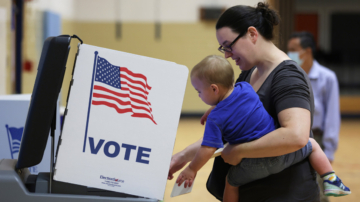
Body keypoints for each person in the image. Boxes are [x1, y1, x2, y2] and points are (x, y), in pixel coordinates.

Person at [168, 2, 318, 201]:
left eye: (229, 46)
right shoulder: (248, 73)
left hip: (285, 194)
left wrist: (239, 150)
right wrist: (181, 157)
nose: (227, 55)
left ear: (252, 34)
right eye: (223, 48)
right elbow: (223, 134)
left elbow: (296, 136)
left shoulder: (287, 76)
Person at [175, 55, 350, 202]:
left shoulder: (215, 118)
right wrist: (215, 106)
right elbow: (232, 100)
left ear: (214, 89)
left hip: (254, 162)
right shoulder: (246, 88)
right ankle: (331, 179)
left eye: (199, 91)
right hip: (282, 152)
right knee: (312, 144)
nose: (198, 95)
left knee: (232, 180)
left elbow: (207, 149)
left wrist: (192, 169)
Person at [288, 31, 341, 202]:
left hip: (317, 140)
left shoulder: (327, 78)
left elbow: (332, 116)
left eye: (294, 50)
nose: (290, 54)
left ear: (308, 51)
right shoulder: (288, 75)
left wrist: (330, 150)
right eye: (288, 50)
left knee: (319, 190)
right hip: (291, 139)